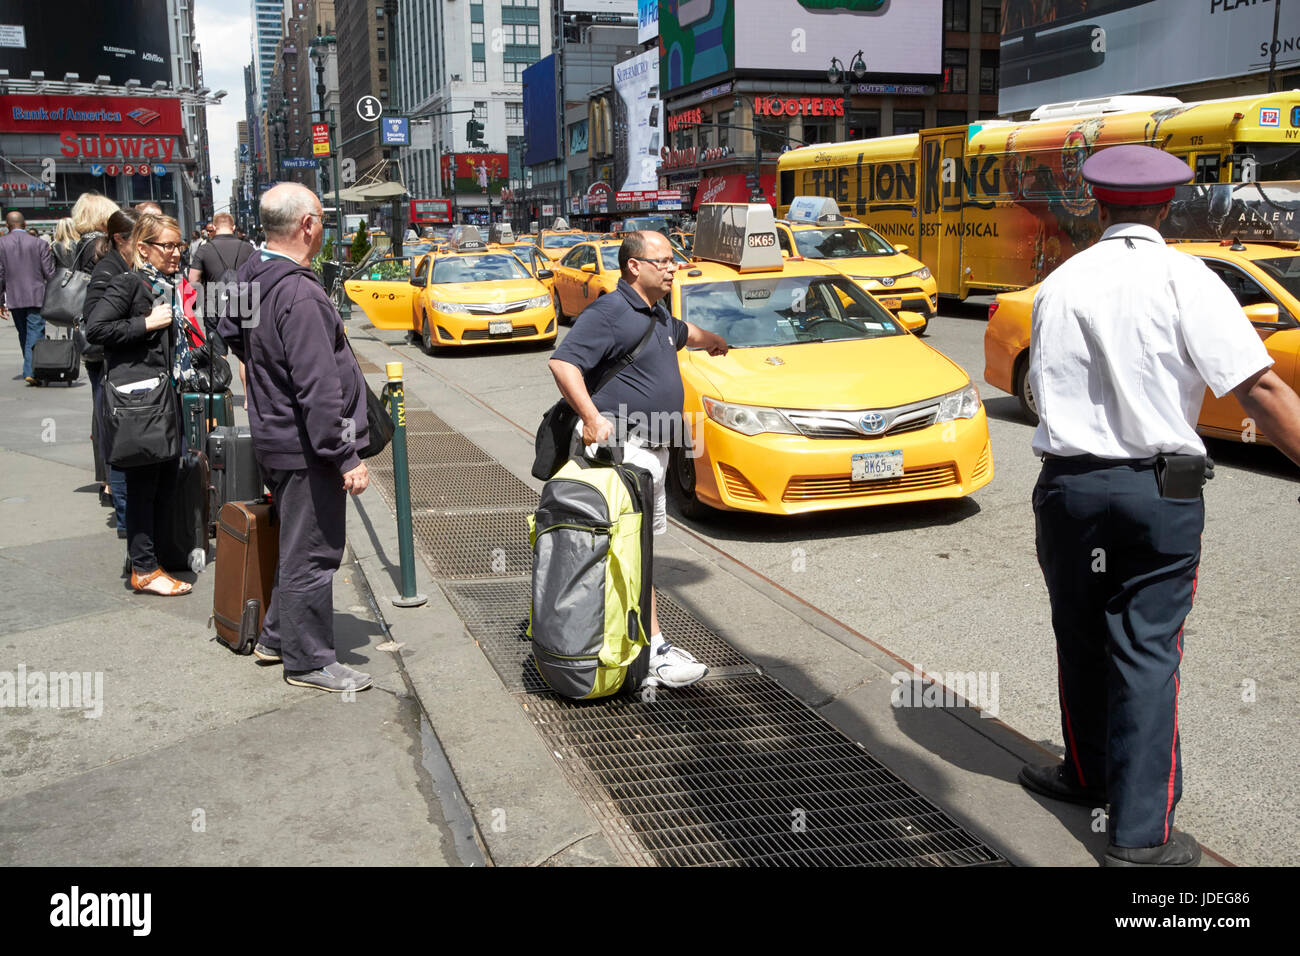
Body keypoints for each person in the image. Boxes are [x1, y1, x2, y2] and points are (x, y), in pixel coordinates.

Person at [1021, 145, 1300, 866]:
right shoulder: (1188, 278)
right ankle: (1140, 837)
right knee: (1145, 652)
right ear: (1171, 206)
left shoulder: (1062, 281)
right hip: (1156, 491)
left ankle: (1085, 776)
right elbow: (1260, 392)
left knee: (1079, 638)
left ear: (1097, 204)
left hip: (1070, 489)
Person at [547, 230, 729, 689]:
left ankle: (632, 642)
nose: (673, 268)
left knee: (638, 548)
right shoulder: (610, 312)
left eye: (674, 260)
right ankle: (653, 651)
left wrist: (716, 340)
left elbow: (684, 335)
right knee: (633, 549)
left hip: (653, 449)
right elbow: (563, 363)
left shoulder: (657, 312)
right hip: (623, 452)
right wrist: (591, 417)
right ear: (634, 266)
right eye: (663, 261)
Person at [216, 183, 372, 693]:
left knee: (297, 543)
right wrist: (345, 456)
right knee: (315, 552)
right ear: (307, 225)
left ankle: (277, 638)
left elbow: (225, 326)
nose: (323, 227)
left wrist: (257, 366)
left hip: (277, 436)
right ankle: (308, 661)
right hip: (306, 447)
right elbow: (318, 390)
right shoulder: (300, 291)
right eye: (322, 218)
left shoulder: (252, 273)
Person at [85, 213, 192, 597]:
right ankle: (145, 569)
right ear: (143, 248)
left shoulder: (166, 284)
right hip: (141, 402)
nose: (176, 253)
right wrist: (145, 325)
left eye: (179, 245)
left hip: (163, 396)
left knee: (164, 480)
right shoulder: (130, 283)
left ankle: (149, 559)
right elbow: (94, 330)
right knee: (143, 484)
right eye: (168, 246)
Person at [84, 208, 137, 533]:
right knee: (122, 445)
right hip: (115, 371)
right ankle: (125, 521)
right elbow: (96, 326)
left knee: (130, 444)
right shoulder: (108, 271)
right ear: (120, 239)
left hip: (126, 371)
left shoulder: (123, 266)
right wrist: (143, 324)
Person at [67, 193, 122, 510]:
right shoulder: (98, 247)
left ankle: (106, 479)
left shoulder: (79, 244)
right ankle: (110, 481)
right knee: (107, 409)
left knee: (100, 407)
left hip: (88, 339)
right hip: (101, 339)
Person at [0, 211, 56, 384]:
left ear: (7, 226)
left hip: (14, 297)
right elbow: (50, 273)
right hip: (36, 294)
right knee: (35, 331)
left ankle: (31, 367)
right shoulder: (39, 243)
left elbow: (0, 275)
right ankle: (32, 369)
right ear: (24, 225)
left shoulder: (1, 244)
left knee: (24, 332)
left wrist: (1, 300)